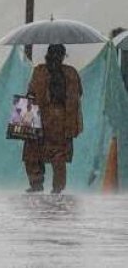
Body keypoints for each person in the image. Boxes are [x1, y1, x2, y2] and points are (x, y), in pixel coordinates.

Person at [23, 44, 83, 194]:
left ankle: (36, 183)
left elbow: (30, 93)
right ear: (63, 56)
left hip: (39, 115)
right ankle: (57, 188)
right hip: (63, 118)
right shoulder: (71, 73)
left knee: (33, 151)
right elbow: (79, 93)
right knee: (58, 154)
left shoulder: (39, 71)